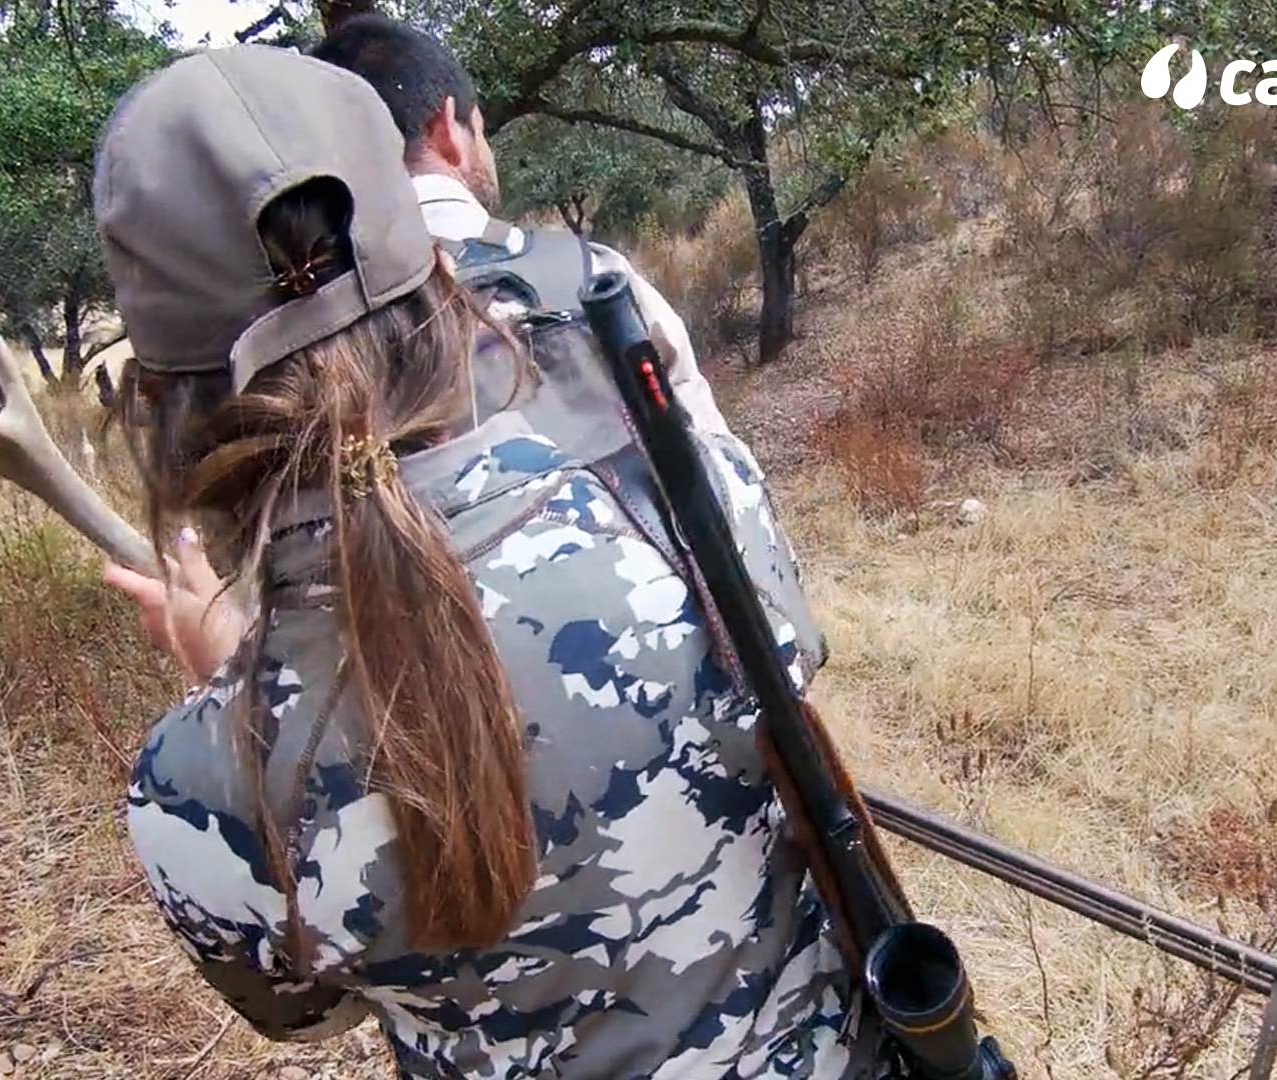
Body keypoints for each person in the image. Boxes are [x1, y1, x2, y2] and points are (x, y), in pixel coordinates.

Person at [92, 44, 880, 1080]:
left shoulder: (189, 787)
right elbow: (787, 674)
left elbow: (307, 1012)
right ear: (445, 286)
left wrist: (240, 694)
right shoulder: (692, 513)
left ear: (164, 396)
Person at [307, 14, 734, 440]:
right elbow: (718, 469)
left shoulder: (304, 356)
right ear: (444, 127)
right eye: (480, 129)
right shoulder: (595, 277)